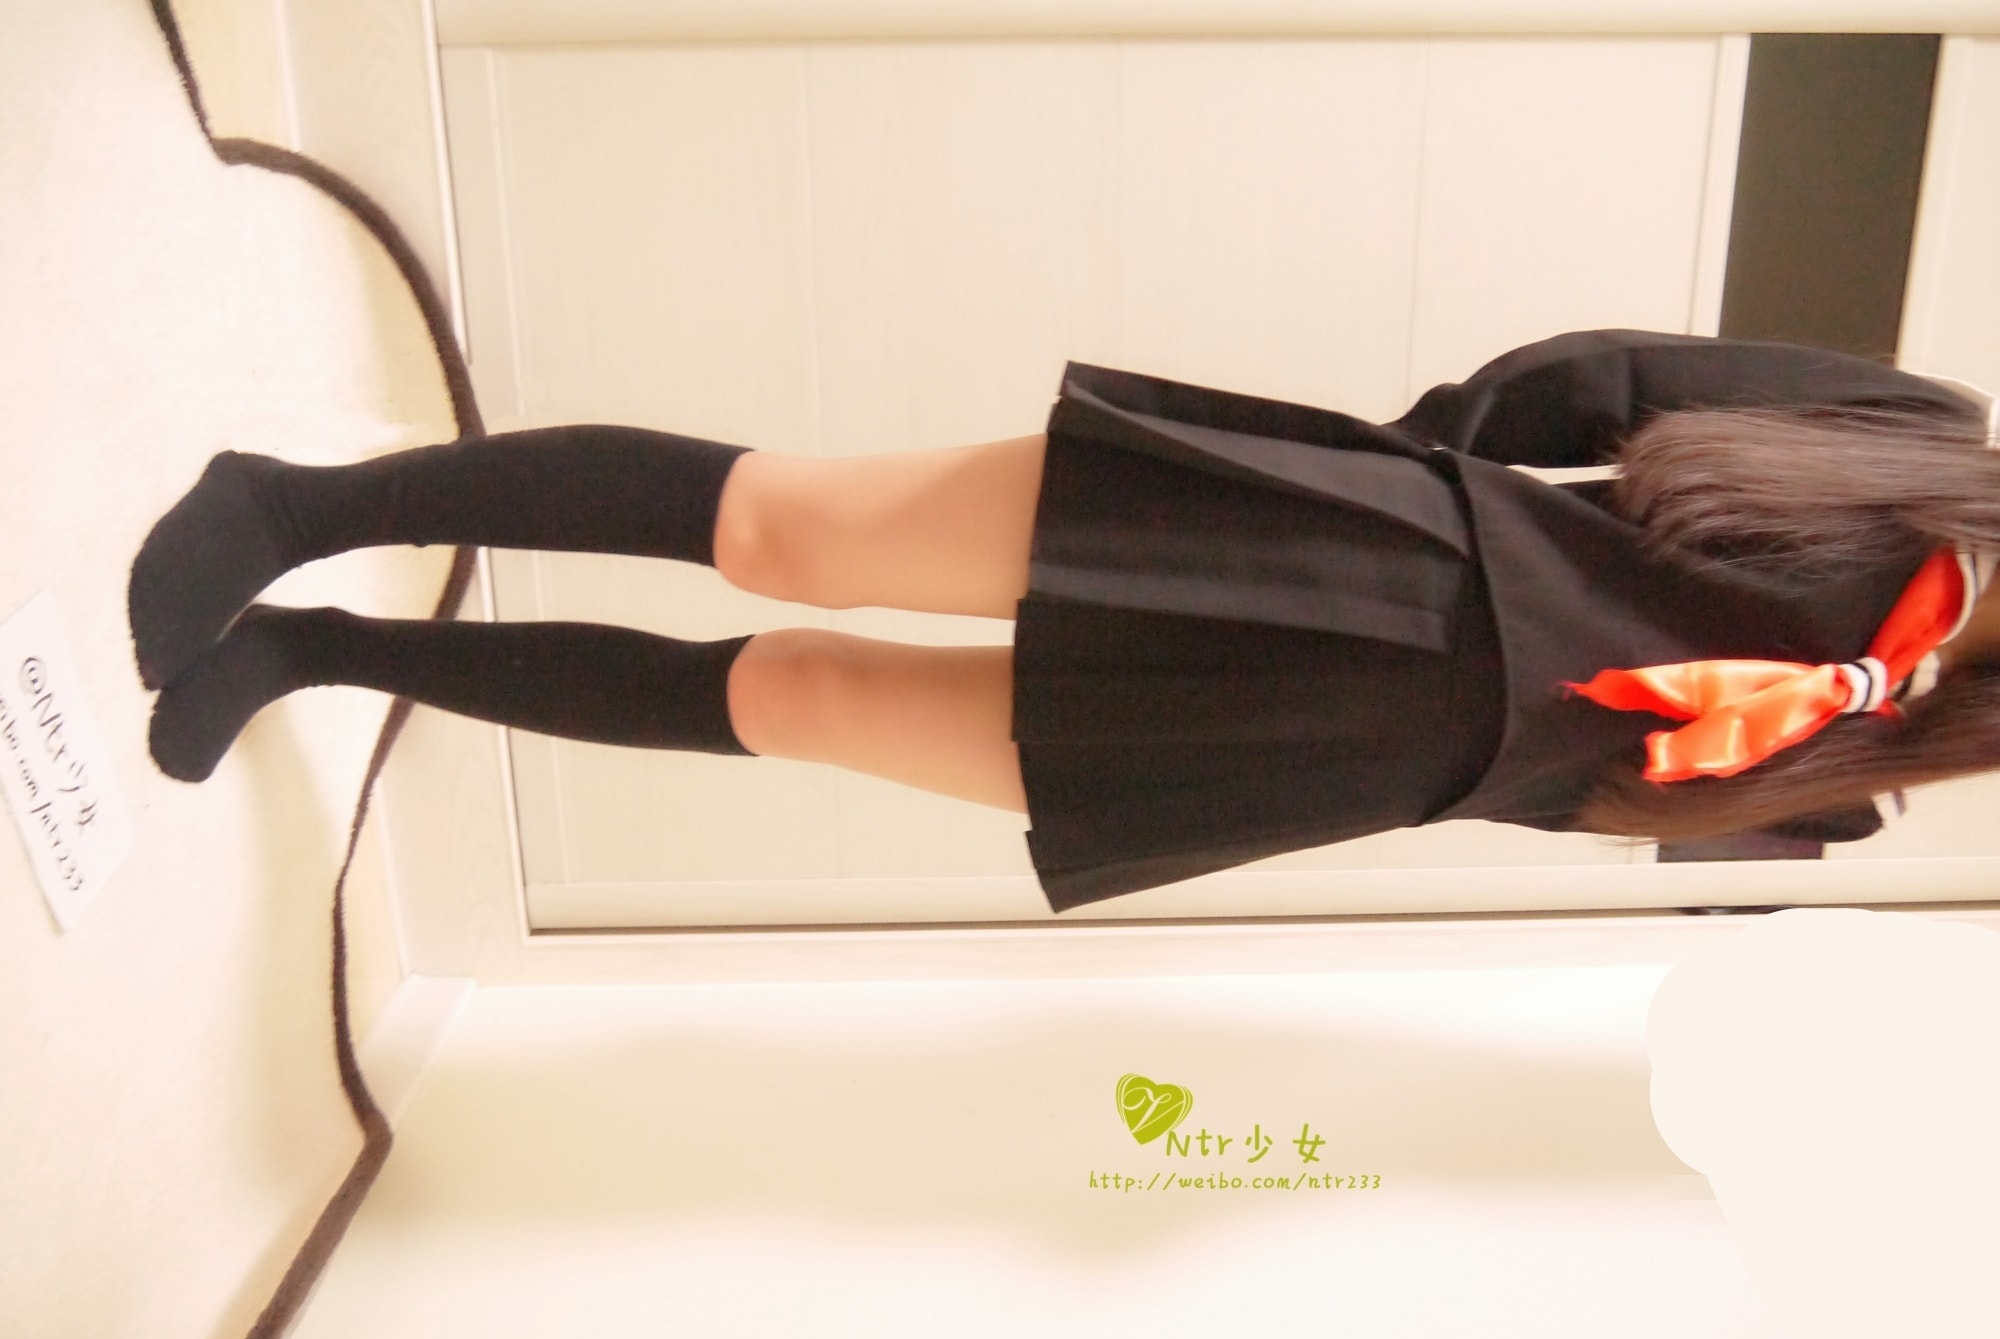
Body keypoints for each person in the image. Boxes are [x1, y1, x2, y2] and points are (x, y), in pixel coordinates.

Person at [128, 329, 2000, 913]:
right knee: (787, 534)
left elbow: (1560, 794)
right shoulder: (1927, 437)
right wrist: (1389, 486)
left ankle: (317, 654)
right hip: (1364, 555)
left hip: (1332, 757)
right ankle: (293, 510)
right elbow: (1600, 382)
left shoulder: (1873, 780)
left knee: (797, 698)